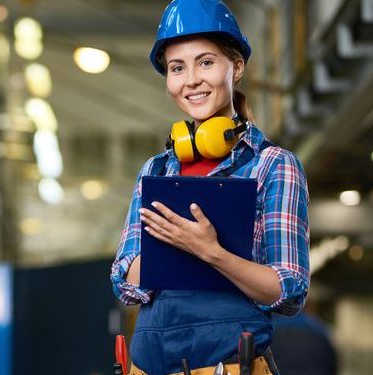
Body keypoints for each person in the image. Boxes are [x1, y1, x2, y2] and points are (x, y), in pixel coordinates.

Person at [109, 1, 310, 374]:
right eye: (177, 68)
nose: (191, 81)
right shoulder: (155, 171)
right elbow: (123, 280)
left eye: (206, 62)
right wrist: (170, 252)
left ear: (236, 66)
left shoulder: (273, 165)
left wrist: (210, 252)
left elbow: (289, 290)